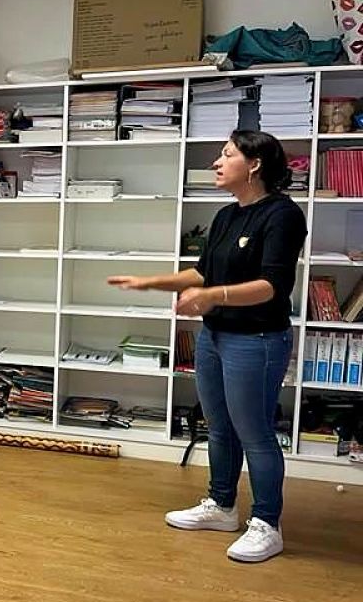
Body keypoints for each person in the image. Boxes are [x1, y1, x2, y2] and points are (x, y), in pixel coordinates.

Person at [108, 130, 306, 564]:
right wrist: (152, 282)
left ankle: (267, 524)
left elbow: (270, 287)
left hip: (257, 340)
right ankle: (222, 506)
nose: (217, 162)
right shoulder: (226, 215)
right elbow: (203, 273)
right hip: (215, 337)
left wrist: (213, 296)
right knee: (218, 426)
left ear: (254, 164)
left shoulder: (283, 215)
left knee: (255, 433)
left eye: (227, 154)